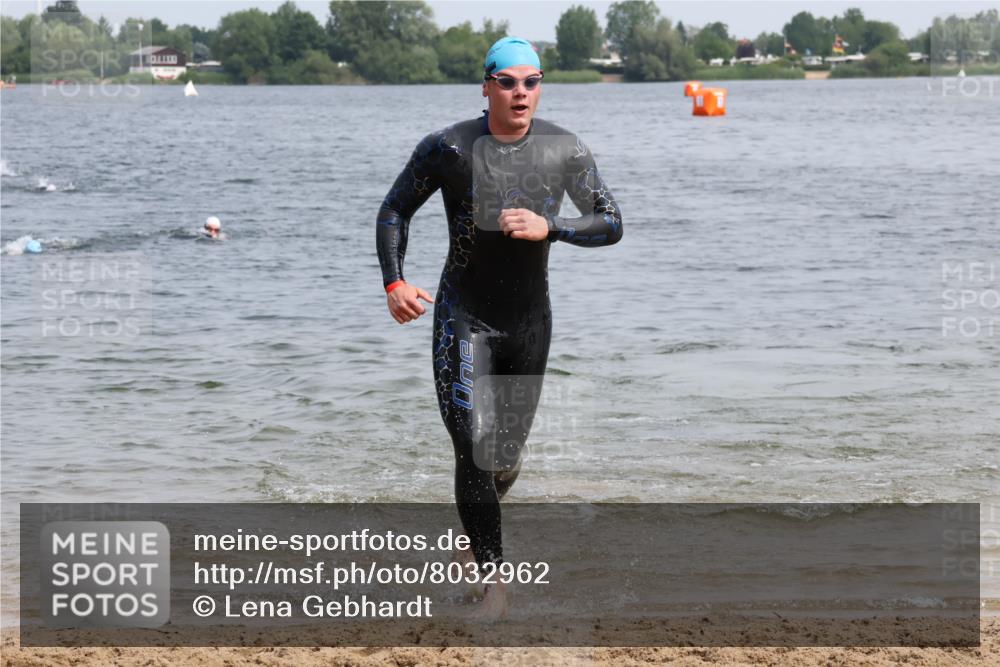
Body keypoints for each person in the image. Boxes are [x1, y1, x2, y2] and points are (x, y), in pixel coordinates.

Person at [376, 36, 623, 618]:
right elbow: (394, 210)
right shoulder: (448, 148)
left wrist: (552, 227)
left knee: (503, 456)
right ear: (486, 86)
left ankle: (473, 536)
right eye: (507, 81)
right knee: (473, 447)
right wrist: (395, 282)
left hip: (528, 323)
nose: (519, 92)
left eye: (530, 81)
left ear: (540, 86)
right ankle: (494, 586)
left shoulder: (565, 149)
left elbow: (611, 222)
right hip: (462, 313)